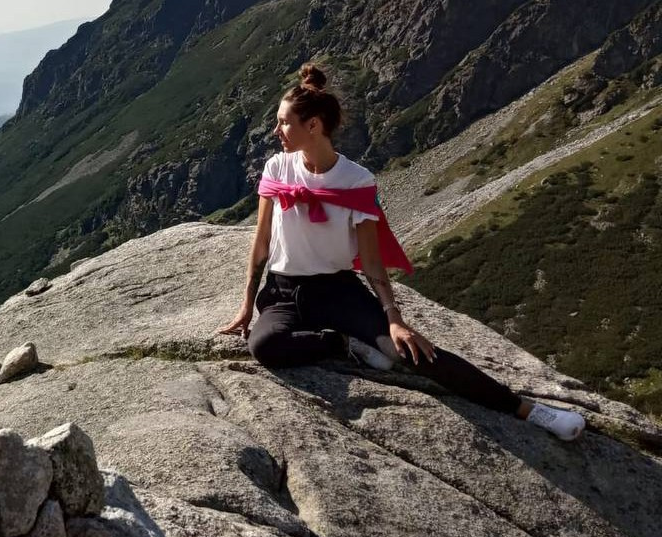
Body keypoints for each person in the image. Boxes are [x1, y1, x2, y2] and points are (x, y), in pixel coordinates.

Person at [216, 63, 585, 441]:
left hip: (337, 290)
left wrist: (394, 317)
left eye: (284, 123)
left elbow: (371, 259)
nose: (276, 132)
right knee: (264, 346)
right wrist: (247, 304)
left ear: (313, 126)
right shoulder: (278, 168)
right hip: (283, 290)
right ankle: (340, 343)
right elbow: (261, 243)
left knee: (409, 351)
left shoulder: (357, 181)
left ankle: (529, 410)